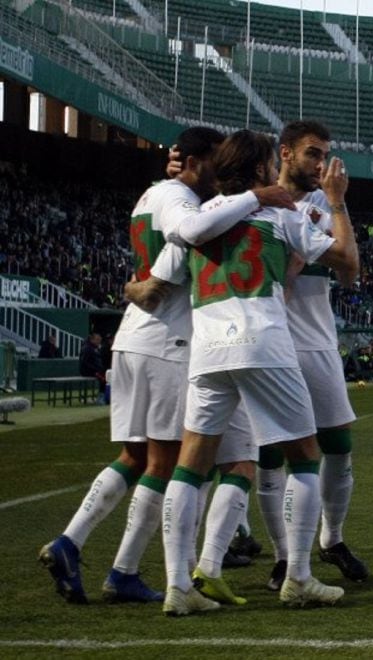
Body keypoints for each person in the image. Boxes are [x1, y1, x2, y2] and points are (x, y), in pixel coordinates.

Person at [39, 126, 293, 606]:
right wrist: (257, 197)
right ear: (198, 162)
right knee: (171, 463)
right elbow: (185, 239)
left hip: (136, 337)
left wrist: (134, 287)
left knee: (138, 458)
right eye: (215, 162)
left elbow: (151, 267)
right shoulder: (183, 201)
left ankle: (83, 548)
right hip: (170, 341)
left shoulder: (150, 195)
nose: (222, 171)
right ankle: (122, 567)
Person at [146, 130, 357, 614]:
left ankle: (180, 586)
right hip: (264, 342)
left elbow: (160, 280)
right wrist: (337, 204)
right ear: (262, 169)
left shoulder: (196, 219)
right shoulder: (282, 215)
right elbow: (346, 260)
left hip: (208, 351)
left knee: (190, 465)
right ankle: (299, 576)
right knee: (304, 457)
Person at [251, 120, 367, 592]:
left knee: (338, 445)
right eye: (312, 154)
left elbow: (350, 272)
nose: (320, 164)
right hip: (269, 339)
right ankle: (284, 556)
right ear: (285, 153)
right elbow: (285, 273)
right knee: (270, 454)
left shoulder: (324, 202)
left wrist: (336, 204)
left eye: (325, 156)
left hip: (316, 340)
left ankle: (331, 539)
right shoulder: (255, 200)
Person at [78, 333, 106, 402]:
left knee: (107, 375)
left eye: (100, 340)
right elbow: (84, 363)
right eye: (97, 340)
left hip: (95, 371)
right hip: (87, 371)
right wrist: (96, 369)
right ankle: (101, 397)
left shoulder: (95, 348)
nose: (99, 341)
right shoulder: (87, 348)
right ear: (92, 340)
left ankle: (104, 396)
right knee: (104, 379)